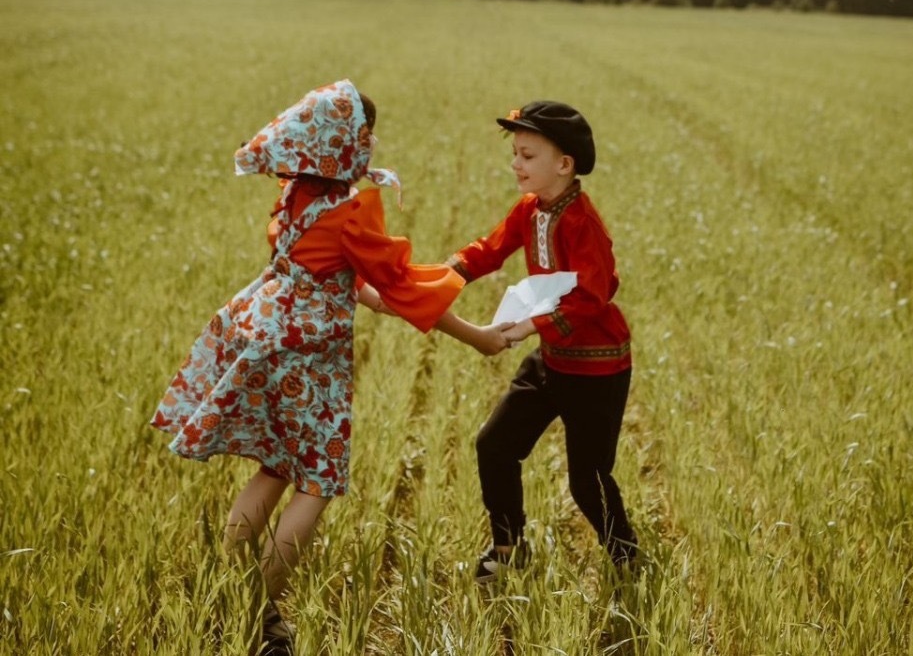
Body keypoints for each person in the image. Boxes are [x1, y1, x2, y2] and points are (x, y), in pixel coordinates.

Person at [150, 80, 508, 655]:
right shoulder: (348, 214)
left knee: (274, 467)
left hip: (265, 339)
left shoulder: (295, 193)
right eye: (367, 136)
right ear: (347, 141)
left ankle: (230, 596)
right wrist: (478, 336)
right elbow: (401, 289)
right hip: (309, 361)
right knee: (317, 483)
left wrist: (369, 295)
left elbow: (331, 275)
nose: (371, 146)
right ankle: (259, 616)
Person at [445, 100, 639, 583]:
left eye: (527, 156)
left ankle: (627, 561)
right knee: (495, 445)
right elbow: (489, 251)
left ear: (564, 164)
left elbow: (593, 296)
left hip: (596, 368)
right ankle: (508, 548)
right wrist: (441, 277)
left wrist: (527, 326)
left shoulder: (582, 223)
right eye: (515, 153)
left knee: (587, 481)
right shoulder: (530, 210)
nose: (516, 164)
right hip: (553, 360)